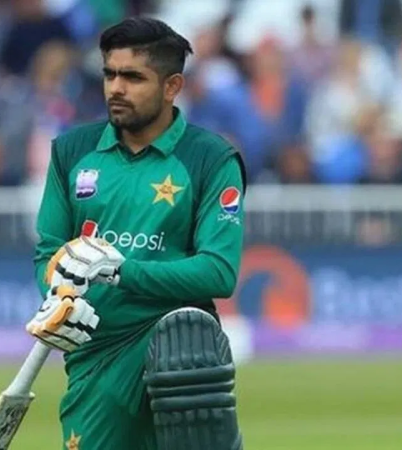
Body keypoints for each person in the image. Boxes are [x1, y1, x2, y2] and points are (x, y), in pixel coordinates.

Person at [26, 16, 246, 450]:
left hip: (180, 356)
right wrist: (58, 297)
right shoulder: (72, 151)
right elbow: (49, 253)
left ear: (172, 86)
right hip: (95, 353)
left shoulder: (210, 158)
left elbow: (219, 273)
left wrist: (119, 270)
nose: (116, 88)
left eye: (133, 77)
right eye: (110, 74)